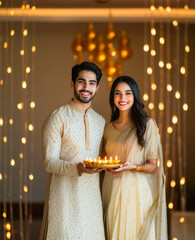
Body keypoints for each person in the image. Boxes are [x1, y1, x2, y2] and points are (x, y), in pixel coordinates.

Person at [40, 62, 106, 240]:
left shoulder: (100, 122)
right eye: (81, 82)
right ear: (72, 83)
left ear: (97, 87)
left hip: (92, 198)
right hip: (64, 197)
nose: (86, 87)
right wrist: (77, 168)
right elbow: (49, 162)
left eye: (92, 83)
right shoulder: (57, 117)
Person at [101, 76, 167, 240]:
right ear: (113, 98)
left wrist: (133, 167)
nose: (123, 98)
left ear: (135, 96)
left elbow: (153, 166)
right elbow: (103, 161)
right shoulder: (107, 128)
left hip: (137, 194)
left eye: (128, 93)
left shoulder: (147, 125)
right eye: (118, 93)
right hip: (112, 191)